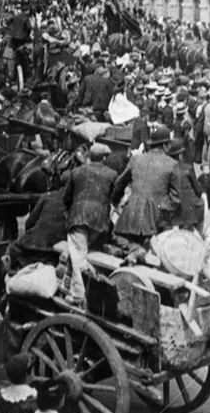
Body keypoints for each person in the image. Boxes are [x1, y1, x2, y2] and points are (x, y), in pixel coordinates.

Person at [62, 142, 118, 306]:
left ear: (89, 157)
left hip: (78, 219)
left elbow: (66, 198)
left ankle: (78, 295)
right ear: (104, 158)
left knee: (78, 254)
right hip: (99, 222)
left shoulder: (76, 172)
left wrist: (69, 214)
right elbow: (115, 198)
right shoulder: (112, 174)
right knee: (83, 253)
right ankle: (78, 285)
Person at [111, 126, 181, 254]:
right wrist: (159, 209)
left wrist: (116, 202)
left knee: (126, 249)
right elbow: (175, 200)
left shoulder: (136, 159)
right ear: (166, 145)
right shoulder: (172, 165)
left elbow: (119, 184)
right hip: (154, 224)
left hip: (129, 218)